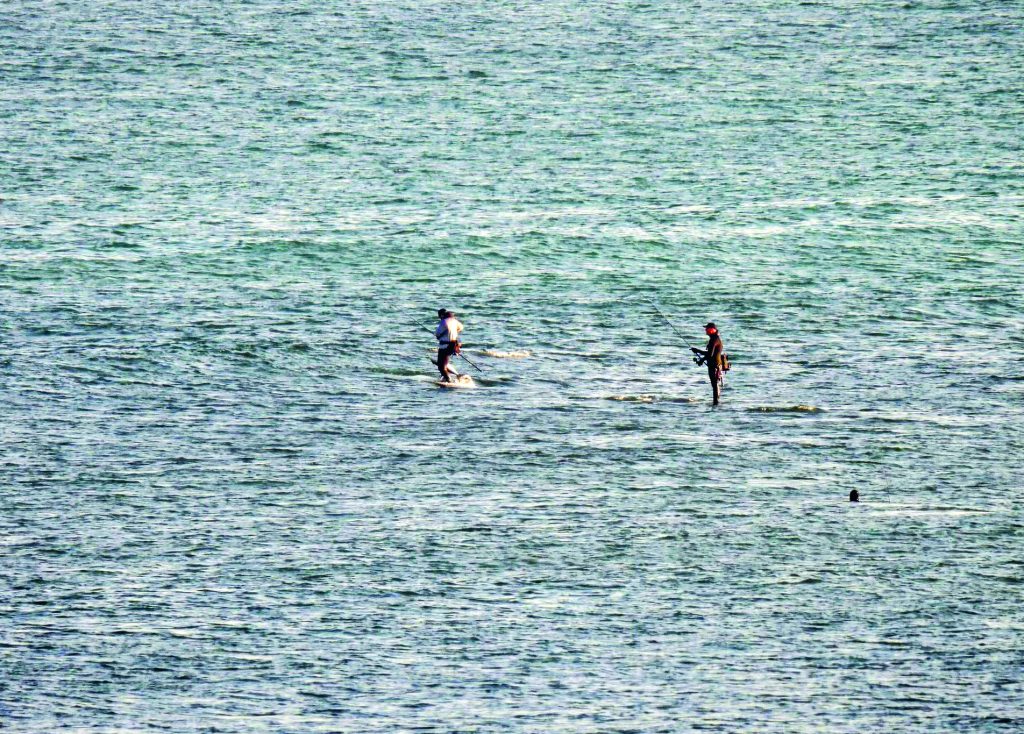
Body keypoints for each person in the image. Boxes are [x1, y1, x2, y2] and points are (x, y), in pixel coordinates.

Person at [691, 322, 725, 406]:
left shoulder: (714, 340)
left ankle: (715, 403)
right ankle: (716, 403)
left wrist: (700, 355)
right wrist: (699, 354)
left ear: (712, 330)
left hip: (714, 366)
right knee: (715, 385)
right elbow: (710, 354)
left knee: (714, 385)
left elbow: (710, 354)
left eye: (707, 329)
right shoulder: (715, 338)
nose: (705, 330)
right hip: (715, 365)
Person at [434, 308, 464, 382]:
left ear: (442, 315)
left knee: (441, 366)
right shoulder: (455, 321)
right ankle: (445, 377)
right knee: (444, 363)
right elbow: (461, 328)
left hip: (444, 346)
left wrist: (440, 336)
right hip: (453, 345)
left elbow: (437, 333)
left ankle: (448, 379)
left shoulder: (443, 322)